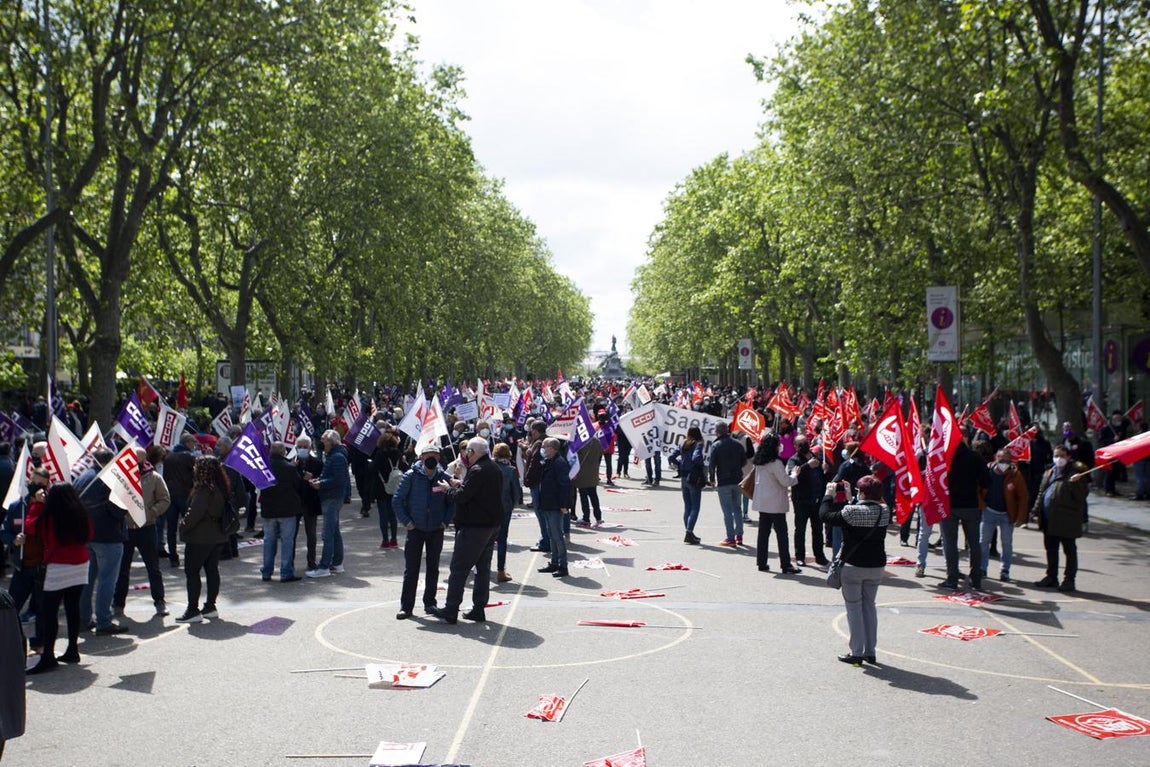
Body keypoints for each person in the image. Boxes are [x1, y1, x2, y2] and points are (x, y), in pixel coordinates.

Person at [820, 475, 890, 666]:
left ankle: (856, 651)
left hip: (853, 566)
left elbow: (825, 516)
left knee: (854, 608)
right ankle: (870, 651)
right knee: (869, 606)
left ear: (863, 492)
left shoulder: (851, 511)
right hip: (876, 566)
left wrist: (828, 495)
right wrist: (852, 497)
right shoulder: (884, 510)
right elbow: (864, 510)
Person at [433, 437, 502, 624]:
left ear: (473, 452)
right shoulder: (493, 467)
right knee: (482, 569)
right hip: (490, 524)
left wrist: (448, 489)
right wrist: (458, 483)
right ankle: (478, 608)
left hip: (475, 525)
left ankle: (451, 609)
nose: (465, 455)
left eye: (468, 452)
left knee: (459, 568)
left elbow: (463, 497)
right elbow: (475, 492)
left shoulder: (478, 469)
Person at [24, 483, 92, 674]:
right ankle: (72, 649)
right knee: (72, 607)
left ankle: (49, 656)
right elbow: (89, 534)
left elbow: (31, 527)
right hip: (80, 563)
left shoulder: (49, 516)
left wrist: (37, 504)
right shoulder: (81, 512)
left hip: (58, 565)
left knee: (49, 611)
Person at [393, 444, 455, 620]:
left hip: (436, 529)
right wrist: (407, 522)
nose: (432, 458)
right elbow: (397, 500)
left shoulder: (444, 477)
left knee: (433, 568)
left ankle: (430, 603)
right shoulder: (411, 476)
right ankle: (406, 607)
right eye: (428, 455)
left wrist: (445, 521)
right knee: (411, 569)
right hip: (416, 529)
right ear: (421, 457)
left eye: (435, 455)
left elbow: (452, 501)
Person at [73, 449, 129, 635]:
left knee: (88, 580)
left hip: (87, 535)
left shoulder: (81, 477)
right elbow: (117, 510)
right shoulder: (107, 479)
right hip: (108, 536)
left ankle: (83, 619)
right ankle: (103, 621)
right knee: (107, 580)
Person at [113, 446, 170, 618]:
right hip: (125, 529)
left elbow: (164, 499)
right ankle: (118, 604)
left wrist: (151, 512)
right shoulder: (119, 478)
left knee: (153, 567)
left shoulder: (153, 477)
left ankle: (159, 602)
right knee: (122, 569)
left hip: (147, 528)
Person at [175, 456, 230, 623]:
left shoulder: (204, 489)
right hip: (218, 535)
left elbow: (194, 514)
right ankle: (210, 606)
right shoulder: (222, 487)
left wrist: (183, 526)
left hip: (200, 537)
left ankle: (193, 610)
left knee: (192, 572)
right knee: (212, 570)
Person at [2, 467, 50, 648]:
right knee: (12, 606)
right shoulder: (17, 506)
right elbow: (3, 531)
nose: (35, 486)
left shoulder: (49, 507)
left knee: (40, 610)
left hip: (43, 568)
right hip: (23, 567)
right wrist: (13, 539)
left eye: (40, 484)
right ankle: (13, 643)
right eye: (33, 482)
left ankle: (38, 646)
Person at [1033, 445, 1088, 592]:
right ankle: (1051, 577)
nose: (1059, 459)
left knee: (1069, 551)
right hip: (1049, 519)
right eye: (1056, 455)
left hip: (1067, 520)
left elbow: (1081, 497)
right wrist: (1035, 510)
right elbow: (1042, 492)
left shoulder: (1076, 474)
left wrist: (1076, 483)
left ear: (1069, 457)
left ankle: (1069, 580)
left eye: (1062, 456)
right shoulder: (1049, 472)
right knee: (1051, 549)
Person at [941, 438, 990, 591]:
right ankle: (976, 579)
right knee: (974, 543)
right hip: (970, 505)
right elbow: (986, 482)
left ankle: (952, 579)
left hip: (949, 504)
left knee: (950, 543)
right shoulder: (976, 457)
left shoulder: (942, 457)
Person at [751, 433, 802, 573]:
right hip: (775, 503)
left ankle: (761, 562)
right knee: (781, 535)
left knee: (763, 533)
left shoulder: (760, 461)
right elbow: (786, 481)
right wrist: (795, 475)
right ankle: (785, 564)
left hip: (763, 502)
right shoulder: (776, 463)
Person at [979, 449, 1029, 583]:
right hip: (988, 511)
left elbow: (1023, 497)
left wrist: (1020, 517)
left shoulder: (1015, 475)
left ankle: (1005, 570)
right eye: (1001, 460)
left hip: (1007, 514)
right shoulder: (987, 470)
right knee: (983, 542)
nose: (1004, 463)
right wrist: (981, 505)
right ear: (996, 458)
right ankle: (982, 568)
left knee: (1006, 544)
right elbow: (978, 488)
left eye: (1007, 460)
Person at [306, 430, 349, 578]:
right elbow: (332, 476)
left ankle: (324, 566)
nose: (321, 443)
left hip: (332, 498)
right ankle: (337, 563)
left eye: (324, 441)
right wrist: (318, 479)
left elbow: (339, 479)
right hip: (330, 497)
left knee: (328, 533)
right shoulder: (333, 455)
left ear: (331, 442)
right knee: (334, 532)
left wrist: (320, 484)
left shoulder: (337, 457)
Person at [259, 442, 303, 582]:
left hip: (269, 509)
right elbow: (298, 485)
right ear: (283, 452)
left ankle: (266, 572)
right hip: (287, 510)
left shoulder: (263, 467)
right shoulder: (289, 468)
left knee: (269, 542)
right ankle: (285, 572)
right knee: (287, 542)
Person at [787, 435, 828, 565]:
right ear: (795, 446)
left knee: (817, 529)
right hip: (801, 500)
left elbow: (823, 475)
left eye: (806, 443)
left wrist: (824, 468)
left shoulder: (816, 457)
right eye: (800, 444)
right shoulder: (794, 459)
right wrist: (806, 465)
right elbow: (791, 473)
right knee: (800, 530)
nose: (804, 446)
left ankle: (820, 556)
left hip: (817, 500)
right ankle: (800, 556)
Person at [536, 438, 572, 578]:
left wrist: (564, 505)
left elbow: (564, 485)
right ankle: (554, 562)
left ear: (552, 448)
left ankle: (563, 566)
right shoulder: (550, 461)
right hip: (547, 503)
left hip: (555, 505)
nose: (543, 449)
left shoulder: (559, 463)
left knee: (557, 536)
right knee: (552, 535)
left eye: (544, 446)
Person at [708, 422, 748, 547]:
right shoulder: (737, 444)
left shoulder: (716, 445)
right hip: (737, 479)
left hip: (724, 480)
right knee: (737, 508)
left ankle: (730, 537)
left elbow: (712, 464)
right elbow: (744, 461)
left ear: (717, 431)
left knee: (727, 510)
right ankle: (739, 535)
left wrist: (712, 479)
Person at [162, 433, 198, 567]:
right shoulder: (189, 457)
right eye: (193, 443)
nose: (194, 446)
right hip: (185, 495)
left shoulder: (169, 457)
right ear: (188, 443)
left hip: (171, 495)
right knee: (189, 525)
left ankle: (173, 557)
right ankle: (191, 555)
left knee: (171, 528)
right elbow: (196, 474)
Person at [669, 426, 706, 544]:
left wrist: (680, 464)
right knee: (695, 507)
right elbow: (696, 457)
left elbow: (671, 457)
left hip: (684, 477)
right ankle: (689, 533)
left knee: (687, 507)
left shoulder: (683, 443)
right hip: (693, 477)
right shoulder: (698, 444)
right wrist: (700, 466)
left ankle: (689, 532)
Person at [371, 431, 407, 549]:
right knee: (393, 514)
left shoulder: (380, 454)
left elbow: (374, 469)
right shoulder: (398, 453)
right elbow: (404, 468)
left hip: (382, 487)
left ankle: (385, 540)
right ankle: (394, 539)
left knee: (383, 515)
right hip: (396, 486)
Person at [492, 442, 520, 583]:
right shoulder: (510, 470)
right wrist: (514, 503)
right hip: (504, 508)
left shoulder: (489, 468)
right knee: (502, 539)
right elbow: (516, 491)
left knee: (486, 539)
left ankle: (480, 568)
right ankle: (501, 570)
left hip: (488, 508)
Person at [521, 421, 550, 553]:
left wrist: (527, 479)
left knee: (540, 512)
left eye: (532, 430)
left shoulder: (539, 443)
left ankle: (545, 541)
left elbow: (535, 464)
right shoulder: (543, 442)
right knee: (543, 513)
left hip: (537, 483)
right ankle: (545, 538)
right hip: (541, 482)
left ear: (535, 431)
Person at [294, 436, 323, 571]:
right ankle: (290, 561)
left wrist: (313, 478)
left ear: (310, 448)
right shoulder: (292, 464)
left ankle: (311, 561)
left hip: (310, 503)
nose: (302, 449)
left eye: (305, 447)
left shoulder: (317, 463)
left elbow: (322, 480)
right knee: (291, 535)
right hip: (295, 504)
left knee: (311, 534)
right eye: (300, 446)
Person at [573, 433, 603, 528]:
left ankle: (586, 518)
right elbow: (600, 456)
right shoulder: (597, 441)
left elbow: (575, 456)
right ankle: (598, 517)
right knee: (594, 495)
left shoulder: (581, 441)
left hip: (582, 471)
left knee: (584, 496)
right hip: (593, 471)